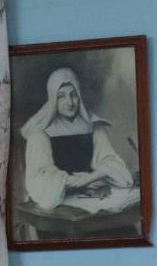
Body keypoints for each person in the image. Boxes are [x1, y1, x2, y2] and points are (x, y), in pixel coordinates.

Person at [20, 68, 137, 214]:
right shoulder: (39, 134)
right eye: (61, 96)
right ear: (53, 98)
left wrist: (90, 178)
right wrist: (77, 182)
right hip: (60, 201)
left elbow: (112, 162)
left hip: (91, 194)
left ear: (79, 96)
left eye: (73, 95)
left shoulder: (94, 126)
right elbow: (41, 178)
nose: (69, 102)